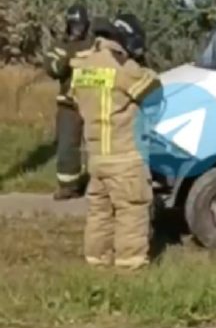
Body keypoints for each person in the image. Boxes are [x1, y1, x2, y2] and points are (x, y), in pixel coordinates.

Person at [54, 15, 162, 270]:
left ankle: (96, 262)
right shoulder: (123, 67)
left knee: (99, 213)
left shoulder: (83, 66)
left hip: (97, 156)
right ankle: (129, 265)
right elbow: (154, 93)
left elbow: (74, 99)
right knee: (131, 210)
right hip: (124, 155)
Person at [44, 4, 93, 200]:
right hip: (68, 104)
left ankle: (100, 185)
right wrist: (68, 59)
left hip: (94, 103)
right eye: (73, 26)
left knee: (98, 145)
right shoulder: (59, 46)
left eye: (80, 26)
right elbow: (52, 68)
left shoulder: (95, 45)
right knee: (67, 146)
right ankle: (68, 186)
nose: (77, 30)